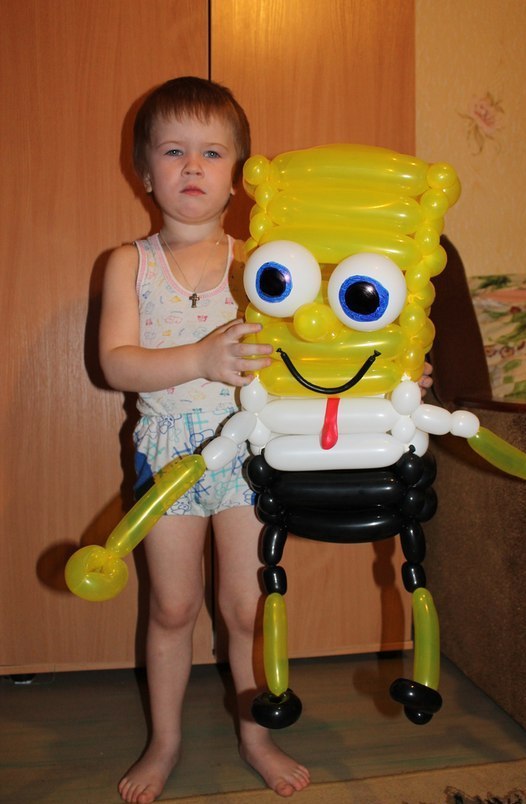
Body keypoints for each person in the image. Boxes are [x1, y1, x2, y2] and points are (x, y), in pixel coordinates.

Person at [99, 76, 311, 803]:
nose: (193, 166)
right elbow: (115, 363)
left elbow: (312, 354)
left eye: (212, 152)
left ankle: (257, 736)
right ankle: (165, 741)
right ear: (144, 171)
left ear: (238, 173)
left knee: (248, 608)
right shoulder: (128, 263)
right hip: (169, 458)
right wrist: (197, 358)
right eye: (174, 151)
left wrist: (393, 373)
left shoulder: (261, 264)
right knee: (171, 607)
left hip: (248, 455)